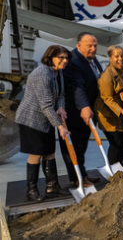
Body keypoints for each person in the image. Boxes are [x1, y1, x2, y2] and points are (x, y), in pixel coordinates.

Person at [16, 45, 71, 202]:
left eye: (66, 58)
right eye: (61, 57)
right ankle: (31, 190)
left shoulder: (57, 72)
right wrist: (59, 126)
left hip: (47, 117)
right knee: (37, 152)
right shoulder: (41, 74)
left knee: (49, 151)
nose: (64, 60)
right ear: (50, 57)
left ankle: (52, 187)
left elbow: (61, 94)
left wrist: (61, 107)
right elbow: (45, 105)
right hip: (31, 118)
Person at [59, 32, 103, 188]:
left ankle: (82, 174)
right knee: (73, 146)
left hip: (87, 111)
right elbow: (77, 86)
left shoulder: (90, 58)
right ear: (79, 45)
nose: (93, 49)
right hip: (73, 112)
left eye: (95, 45)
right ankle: (76, 178)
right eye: (89, 45)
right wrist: (84, 107)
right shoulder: (73, 61)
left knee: (82, 145)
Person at [95, 45, 123, 167]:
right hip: (110, 115)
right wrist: (122, 111)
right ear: (110, 58)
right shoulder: (107, 76)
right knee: (116, 143)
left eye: (122, 55)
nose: (120, 58)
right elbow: (107, 98)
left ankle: (119, 167)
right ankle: (113, 173)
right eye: (116, 56)